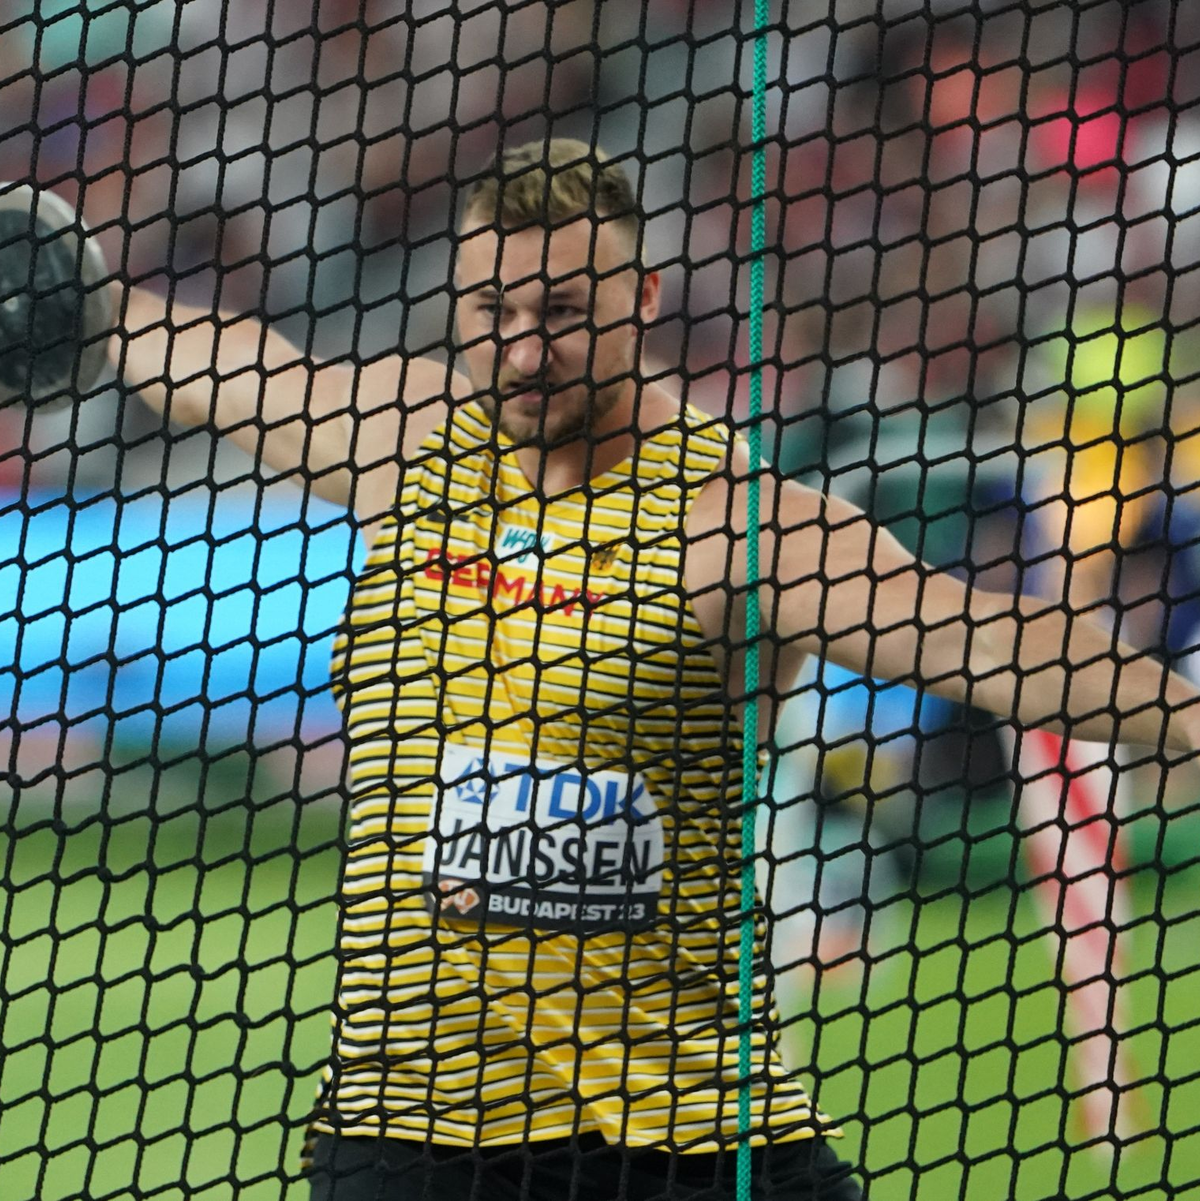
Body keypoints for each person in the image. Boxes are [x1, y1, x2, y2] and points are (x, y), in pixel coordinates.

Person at [102, 138, 1198, 1200]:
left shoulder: (733, 523)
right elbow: (230, 370)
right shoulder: (405, 437)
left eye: (566, 315)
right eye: (496, 316)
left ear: (644, 297)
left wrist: (1190, 717)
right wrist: (88, 302)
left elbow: (986, 641)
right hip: (414, 1123)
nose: (527, 352)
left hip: (682, 1124)